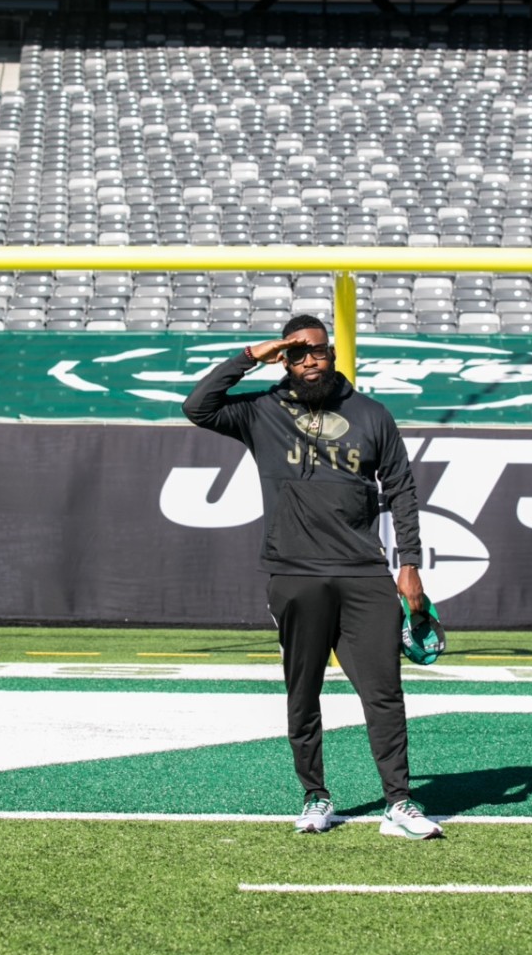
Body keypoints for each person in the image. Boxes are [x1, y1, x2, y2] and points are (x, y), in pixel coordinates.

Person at [182, 314, 443, 840]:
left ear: (332, 353)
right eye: (297, 353)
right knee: (303, 692)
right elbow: (198, 406)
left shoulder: (371, 414)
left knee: (384, 692)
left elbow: (402, 490)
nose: (309, 361)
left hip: (363, 573)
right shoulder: (261, 410)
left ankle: (399, 802)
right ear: (284, 358)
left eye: (317, 351)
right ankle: (315, 795)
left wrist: (410, 565)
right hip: (294, 572)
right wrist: (250, 357)